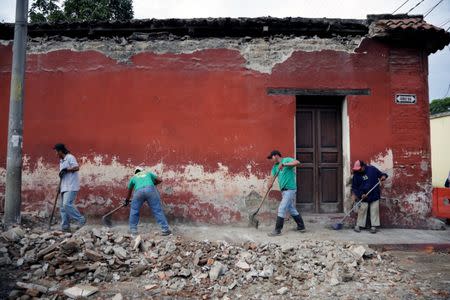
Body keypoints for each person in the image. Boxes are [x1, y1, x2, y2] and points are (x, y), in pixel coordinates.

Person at [266, 150, 305, 236]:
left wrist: (284, 164)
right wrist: (269, 184)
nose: (271, 160)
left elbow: (297, 162)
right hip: (283, 190)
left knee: (282, 208)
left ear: (276, 156)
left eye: (271, 158)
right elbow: (272, 177)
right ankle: (301, 226)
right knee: (291, 209)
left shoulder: (286, 160)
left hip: (290, 189)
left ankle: (277, 230)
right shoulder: (275, 167)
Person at [123, 167, 171, 236]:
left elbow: (129, 192)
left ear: (135, 173)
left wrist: (127, 200)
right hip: (150, 189)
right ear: (142, 170)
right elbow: (160, 180)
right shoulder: (147, 173)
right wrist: (153, 184)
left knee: (134, 210)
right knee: (157, 210)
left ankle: (133, 230)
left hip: (138, 192)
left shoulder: (133, 177)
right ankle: (165, 229)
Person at [54, 143, 86, 232]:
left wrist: (66, 170)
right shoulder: (61, 161)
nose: (56, 154)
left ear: (60, 151)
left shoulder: (70, 157)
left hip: (71, 186)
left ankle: (81, 220)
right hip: (64, 186)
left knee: (66, 204)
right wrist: (59, 186)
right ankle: (65, 227)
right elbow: (62, 176)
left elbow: (76, 167)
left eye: (56, 152)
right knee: (63, 208)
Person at [351, 160, 387, 234]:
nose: (359, 171)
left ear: (363, 166)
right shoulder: (356, 175)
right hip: (364, 196)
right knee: (362, 210)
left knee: (374, 210)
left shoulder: (372, 169)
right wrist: (361, 195)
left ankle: (374, 226)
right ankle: (359, 225)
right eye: (357, 169)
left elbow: (382, 174)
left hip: (374, 193)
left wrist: (383, 176)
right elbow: (354, 187)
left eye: (359, 169)